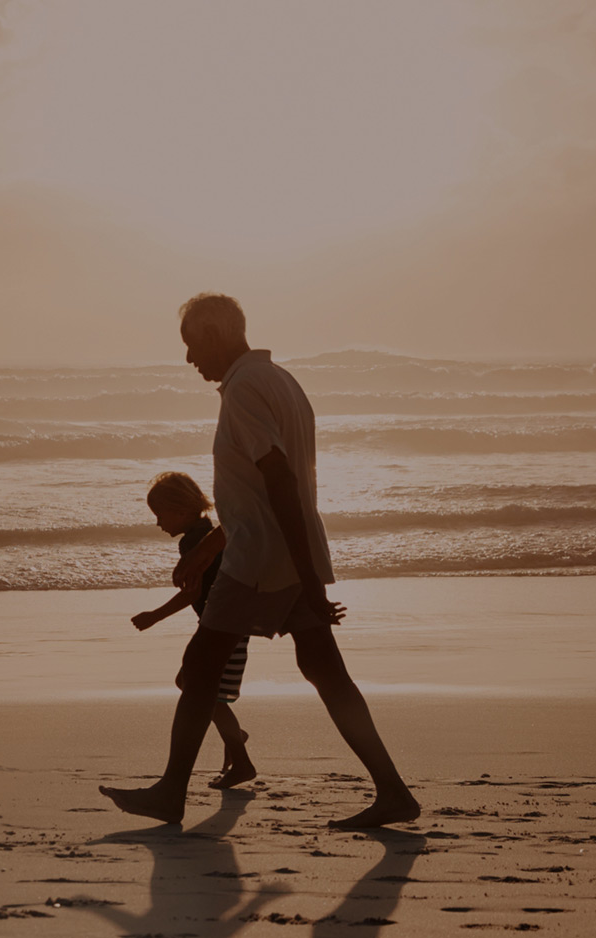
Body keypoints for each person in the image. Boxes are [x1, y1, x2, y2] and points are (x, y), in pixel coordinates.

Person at [100, 293, 420, 830]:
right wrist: (218, 548)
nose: (188, 360)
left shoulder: (246, 389)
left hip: (259, 563)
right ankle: (392, 792)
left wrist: (307, 577)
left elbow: (278, 479)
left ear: (213, 333)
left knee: (200, 670)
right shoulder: (282, 382)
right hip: (285, 555)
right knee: (324, 671)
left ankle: (170, 794)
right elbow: (260, 490)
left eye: (191, 346)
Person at [130, 471, 257, 790]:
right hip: (229, 622)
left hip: (224, 624)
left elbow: (192, 593)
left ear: (182, 511)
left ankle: (241, 761)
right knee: (191, 683)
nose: (159, 524)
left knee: (203, 690)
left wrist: (154, 616)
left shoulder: (195, 542)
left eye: (160, 515)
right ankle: (235, 737)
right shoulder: (210, 532)